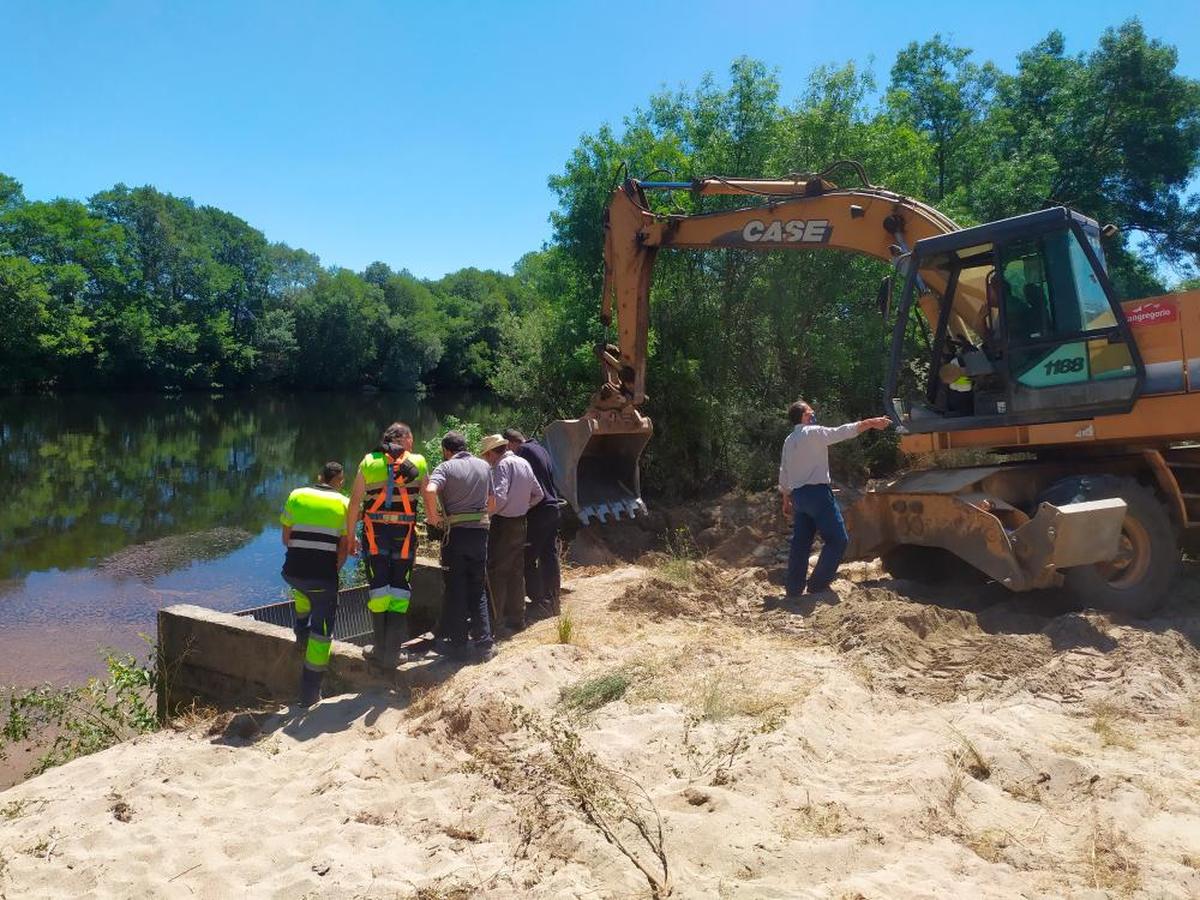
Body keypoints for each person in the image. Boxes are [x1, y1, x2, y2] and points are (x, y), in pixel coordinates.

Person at [778, 400, 891, 598]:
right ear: (804, 416)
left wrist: (786, 499)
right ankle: (817, 584)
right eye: (810, 410)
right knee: (838, 540)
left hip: (798, 497)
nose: (813, 413)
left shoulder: (789, 440)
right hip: (817, 495)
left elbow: (784, 471)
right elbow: (842, 431)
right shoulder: (813, 432)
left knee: (800, 544)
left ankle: (793, 589)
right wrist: (872, 422)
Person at [345, 422, 428, 666]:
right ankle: (394, 652)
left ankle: (380, 650)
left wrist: (350, 536)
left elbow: (354, 503)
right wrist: (435, 518)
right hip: (404, 537)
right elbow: (430, 494)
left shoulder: (369, 461)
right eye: (411, 439)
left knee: (379, 589)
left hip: (375, 537)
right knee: (400, 588)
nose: (412, 444)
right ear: (405, 440)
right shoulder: (419, 462)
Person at [280, 461, 351, 708]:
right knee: (322, 635)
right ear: (339, 481)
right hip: (322, 577)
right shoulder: (344, 503)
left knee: (302, 588)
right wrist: (333, 571)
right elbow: (343, 548)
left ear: (319, 476)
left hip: (292, 572)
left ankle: (300, 629)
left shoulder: (296, 495)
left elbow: (285, 538)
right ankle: (309, 694)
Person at [423, 431, 493, 661]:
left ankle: (459, 646)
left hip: (456, 536)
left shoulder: (445, 468)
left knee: (456, 589)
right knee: (478, 588)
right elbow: (493, 501)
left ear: (446, 450)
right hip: (480, 533)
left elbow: (430, 490)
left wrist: (433, 518)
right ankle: (484, 645)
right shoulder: (484, 466)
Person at [479, 433, 543, 632]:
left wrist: (486, 515)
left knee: (497, 572)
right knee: (516, 571)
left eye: (486, 456)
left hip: (504, 524)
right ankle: (517, 619)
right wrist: (523, 506)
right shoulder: (523, 462)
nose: (487, 460)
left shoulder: (501, 466)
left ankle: (496, 623)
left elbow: (500, 497)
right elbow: (538, 494)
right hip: (521, 522)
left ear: (491, 453)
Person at [503, 427, 561, 618]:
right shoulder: (540, 448)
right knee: (549, 555)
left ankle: (539, 602)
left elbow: (524, 482)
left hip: (539, 510)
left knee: (526, 558)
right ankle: (553, 600)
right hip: (553, 507)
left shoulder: (524, 452)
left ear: (511, 443)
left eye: (506, 448)